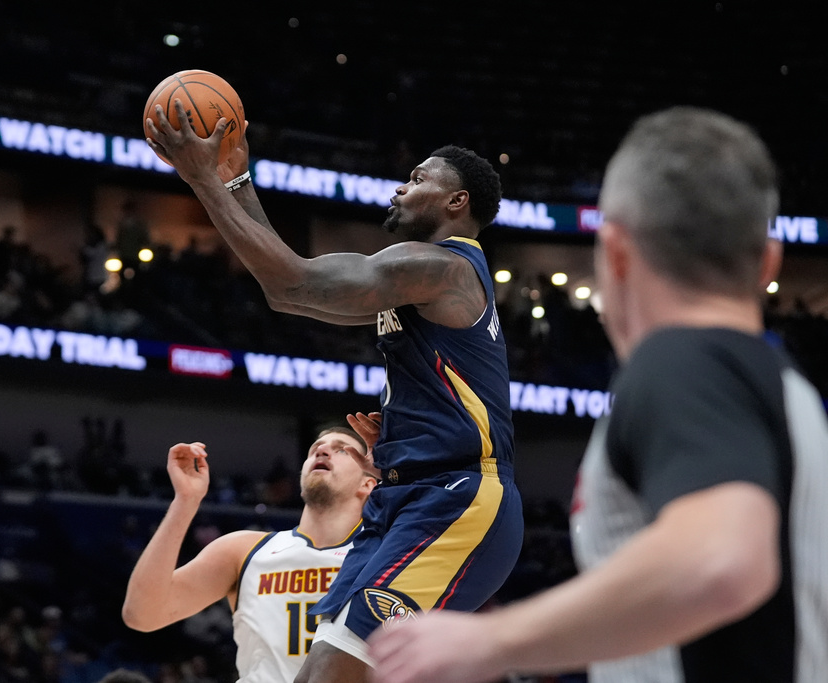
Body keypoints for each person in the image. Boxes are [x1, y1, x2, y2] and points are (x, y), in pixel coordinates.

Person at [366, 106, 828, 683]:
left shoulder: (684, 360)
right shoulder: (791, 391)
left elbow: (722, 561)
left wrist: (494, 640)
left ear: (614, 253)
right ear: (770, 262)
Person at [146, 103, 523, 681]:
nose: (401, 187)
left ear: (457, 202)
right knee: (324, 672)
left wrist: (202, 179)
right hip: (405, 498)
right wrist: (238, 182)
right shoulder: (424, 278)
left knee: (328, 674)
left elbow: (291, 282)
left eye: (419, 178)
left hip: (456, 500)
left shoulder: (443, 269)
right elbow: (291, 294)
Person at [122, 427, 377, 682]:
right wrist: (185, 501)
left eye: (341, 449)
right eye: (315, 449)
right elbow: (142, 614)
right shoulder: (244, 551)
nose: (321, 450)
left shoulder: (387, 556)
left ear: (368, 483)